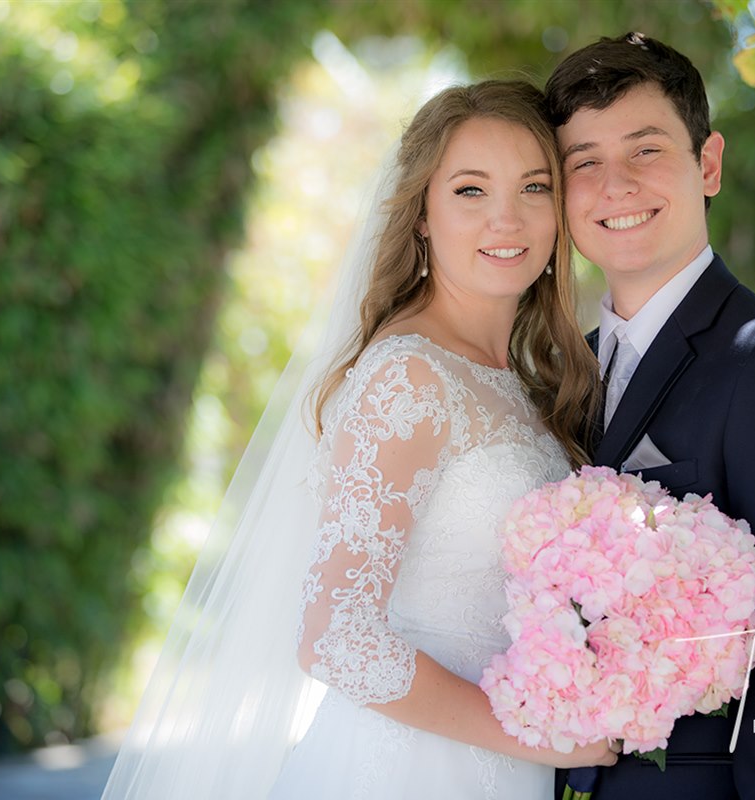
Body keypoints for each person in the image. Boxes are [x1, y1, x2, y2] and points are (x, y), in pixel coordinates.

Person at [101, 79, 618, 800]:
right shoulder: (410, 377)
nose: (507, 218)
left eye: (534, 187)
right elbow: (335, 636)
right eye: (470, 190)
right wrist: (540, 734)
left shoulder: (531, 380)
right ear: (422, 217)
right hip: (412, 770)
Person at [545, 33, 755, 800]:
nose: (616, 184)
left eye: (646, 149)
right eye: (584, 161)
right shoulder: (562, 373)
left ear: (709, 164)